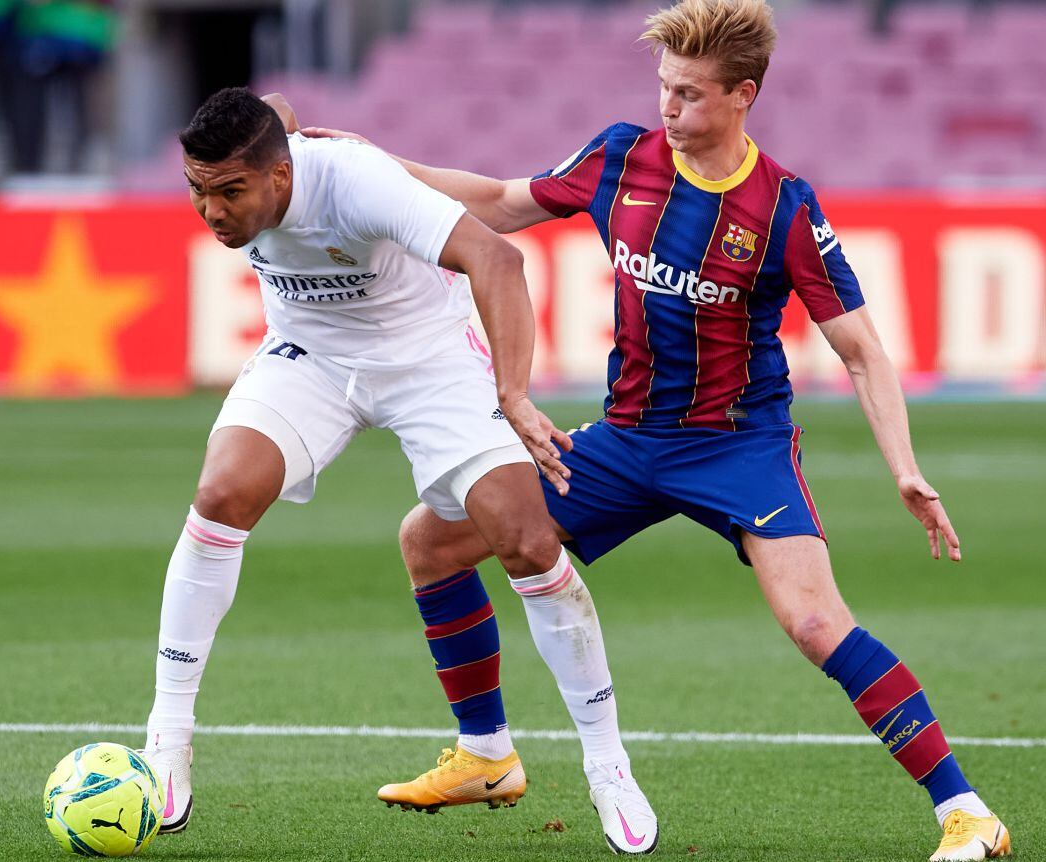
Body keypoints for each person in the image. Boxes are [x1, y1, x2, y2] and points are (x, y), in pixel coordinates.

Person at [298, 1, 1011, 859]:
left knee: (817, 623)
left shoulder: (783, 207)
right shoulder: (619, 157)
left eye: (691, 96)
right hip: (627, 441)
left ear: (743, 95)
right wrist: (370, 165)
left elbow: (860, 351)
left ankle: (966, 811)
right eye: (664, 89)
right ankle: (486, 753)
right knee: (431, 541)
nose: (669, 110)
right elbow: (497, 200)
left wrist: (904, 468)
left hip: (738, 445)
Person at [141, 87, 651, 846]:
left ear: (282, 176)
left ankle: (607, 764)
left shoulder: (355, 181)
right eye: (197, 191)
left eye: (229, 192)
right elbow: (273, 109)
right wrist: (275, 114)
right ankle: (167, 741)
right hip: (311, 355)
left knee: (525, 538)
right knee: (221, 493)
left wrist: (511, 393)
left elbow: (497, 257)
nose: (212, 212)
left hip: (429, 360)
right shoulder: (260, 154)